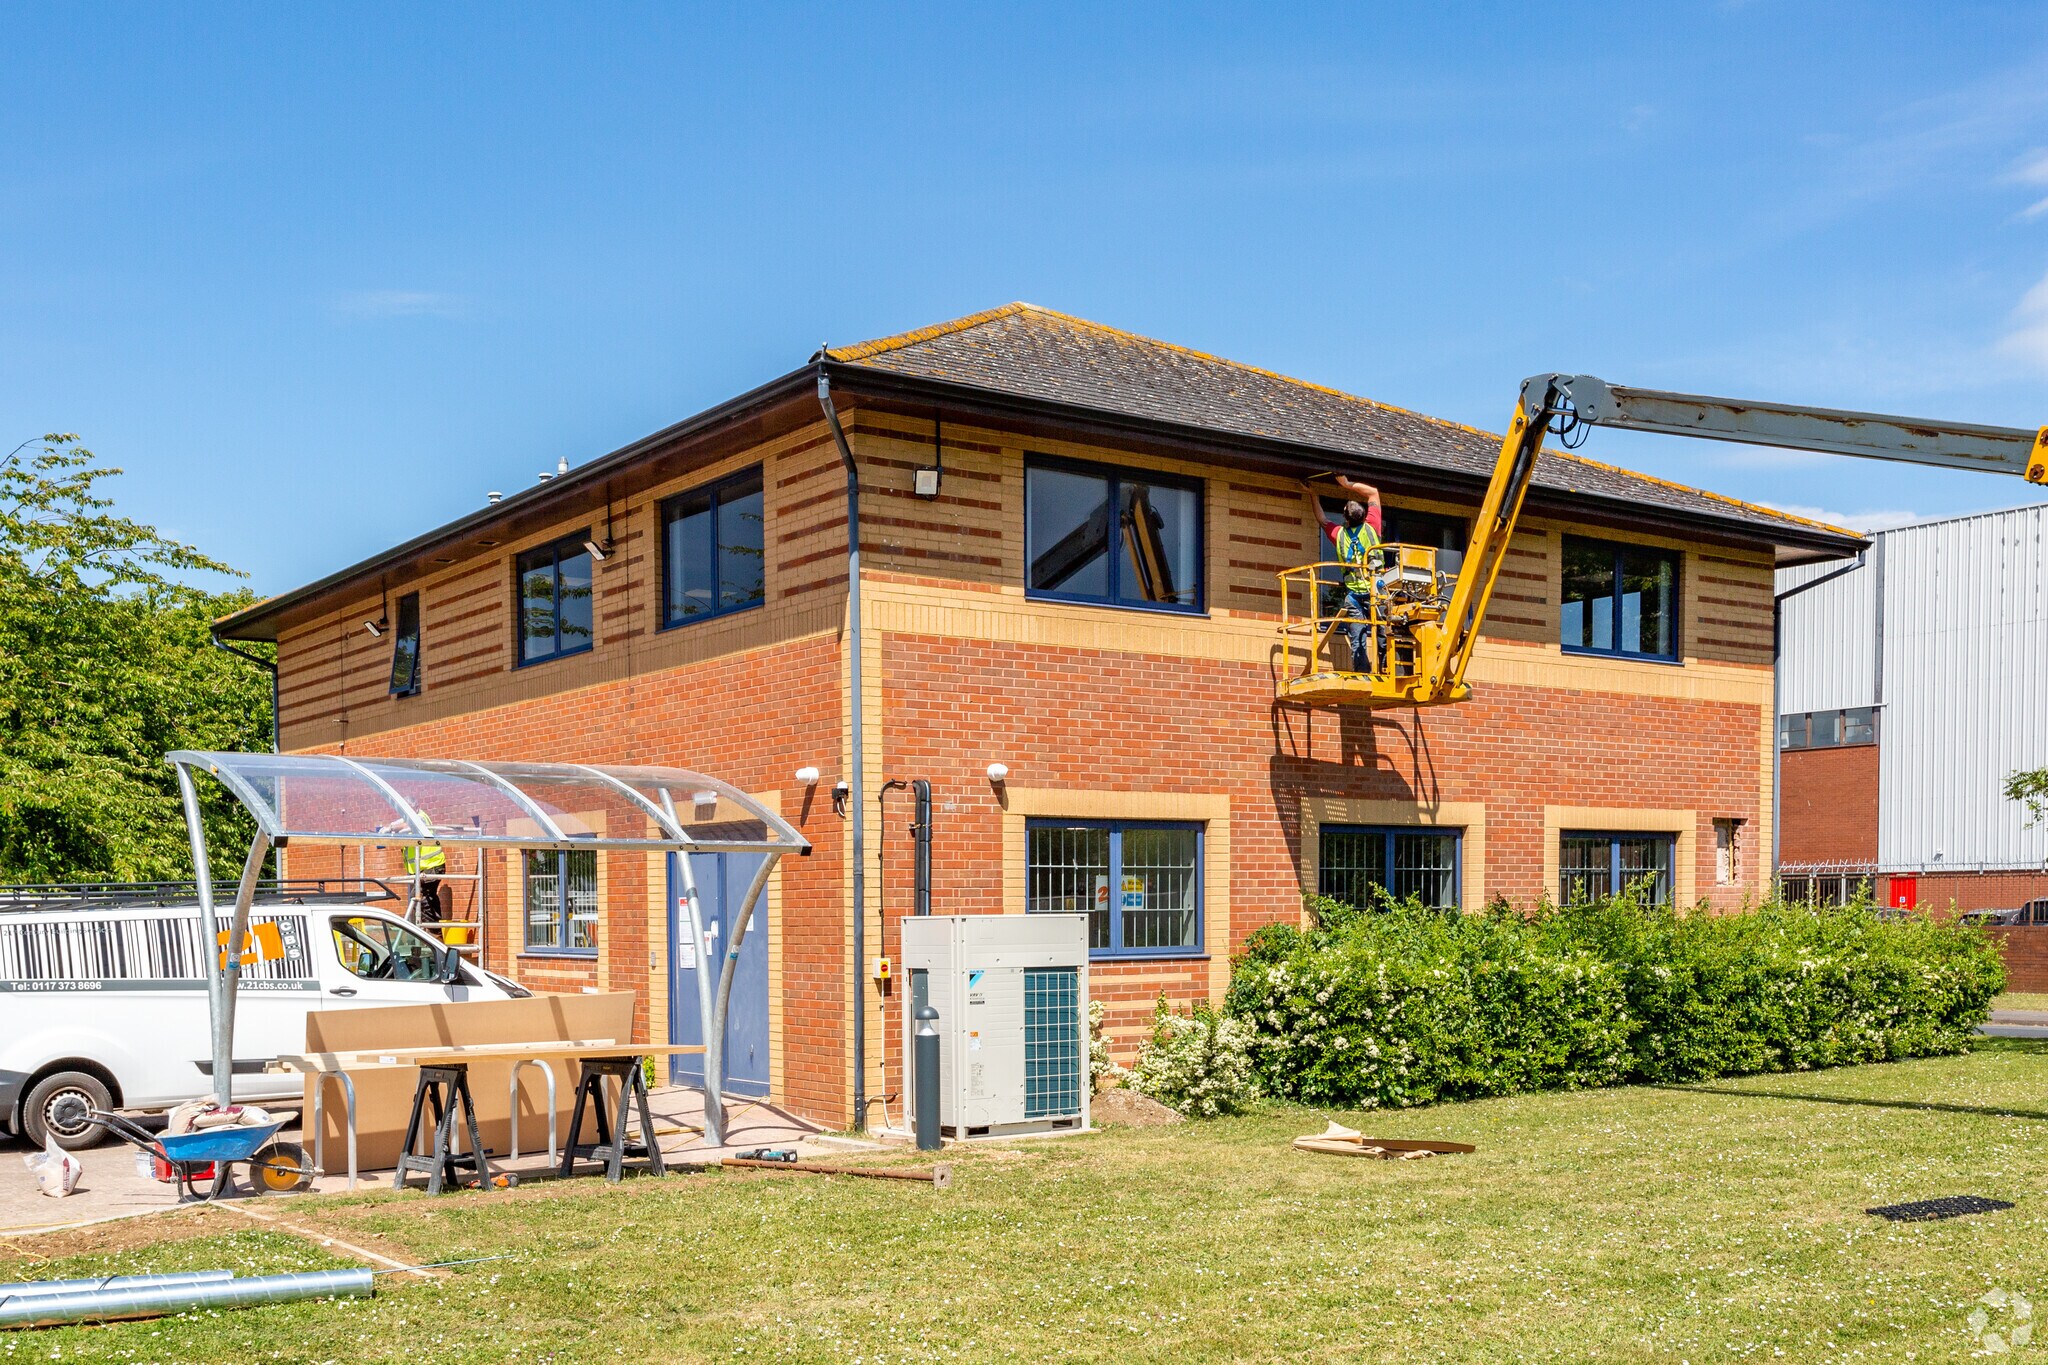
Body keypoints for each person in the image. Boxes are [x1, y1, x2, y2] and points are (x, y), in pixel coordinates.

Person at [1308, 473, 1384, 671]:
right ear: (1364, 515)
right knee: (1384, 633)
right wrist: (1347, 484)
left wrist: (1313, 494)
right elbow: (1373, 493)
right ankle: (1386, 669)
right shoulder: (1372, 527)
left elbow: (1323, 520)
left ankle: (1362, 672)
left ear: (1345, 519)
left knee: (1357, 638)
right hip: (1377, 591)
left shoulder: (1340, 535)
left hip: (1355, 594)